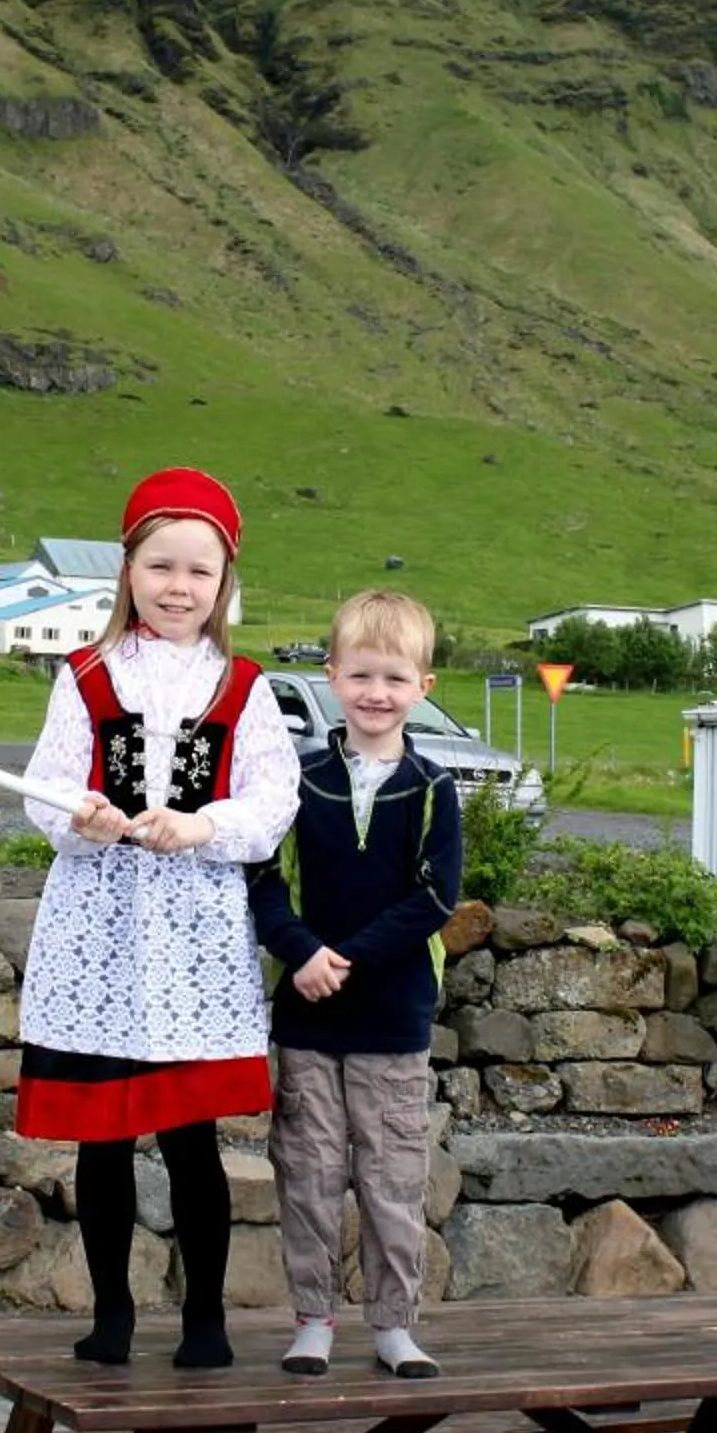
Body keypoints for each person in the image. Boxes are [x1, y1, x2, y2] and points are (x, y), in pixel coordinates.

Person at [17, 467, 300, 1368]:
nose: (179, 588)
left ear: (225, 585)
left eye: (199, 573)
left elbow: (273, 801)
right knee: (103, 1138)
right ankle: (111, 1316)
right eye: (161, 567)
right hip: (101, 926)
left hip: (192, 934)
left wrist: (203, 824)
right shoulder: (88, 677)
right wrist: (82, 815)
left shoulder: (245, 687)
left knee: (190, 1141)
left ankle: (206, 1320)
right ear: (128, 569)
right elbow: (46, 785)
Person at [248, 590, 463, 1379]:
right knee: (306, 1176)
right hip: (306, 1015)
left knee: (392, 1180)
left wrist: (352, 958)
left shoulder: (434, 789)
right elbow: (265, 882)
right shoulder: (296, 782)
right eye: (362, 675)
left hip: (392, 1018)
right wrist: (303, 953)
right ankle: (312, 1320)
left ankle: (393, 1326)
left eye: (395, 679)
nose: (378, 693)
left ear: (423, 688)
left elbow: (435, 896)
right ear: (332, 675)